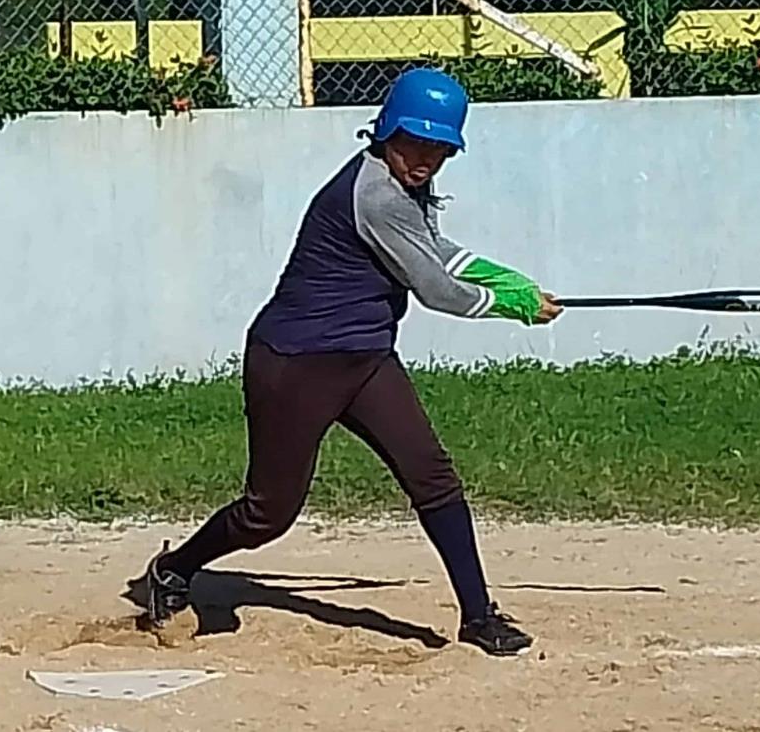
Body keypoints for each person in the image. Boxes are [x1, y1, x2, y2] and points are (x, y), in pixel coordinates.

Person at [134, 67, 563, 657]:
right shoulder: (376, 193)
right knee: (269, 514)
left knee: (432, 476)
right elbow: (435, 290)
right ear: (387, 129)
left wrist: (500, 275)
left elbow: (432, 251)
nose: (426, 158)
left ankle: (478, 615)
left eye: (440, 149)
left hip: (363, 361)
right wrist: (508, 305)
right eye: (416, 142)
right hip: (295, 365)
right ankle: (174, 570)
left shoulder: (402, 188)